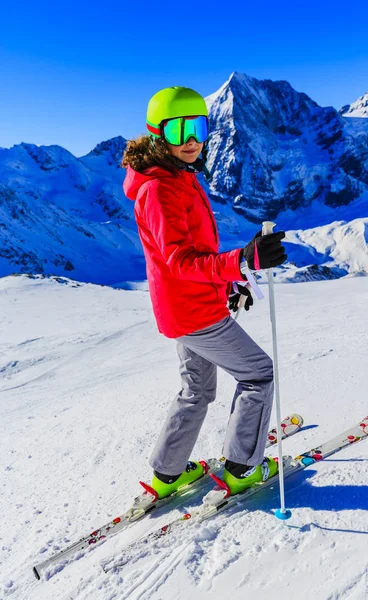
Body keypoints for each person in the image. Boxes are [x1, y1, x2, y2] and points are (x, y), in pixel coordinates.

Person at [122, 86, 287, 498]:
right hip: (195, 312)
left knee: (196, 389)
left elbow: (192, 254)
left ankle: (168, 472)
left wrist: (230, 281)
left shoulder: (176, 175)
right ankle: (243, 467)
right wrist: (243, 261)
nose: (192, 139)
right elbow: (180, 261)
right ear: (159, 134)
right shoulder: (160, 189)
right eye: (180, 130)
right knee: (258, 373)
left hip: (185, 306)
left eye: (199, 126)